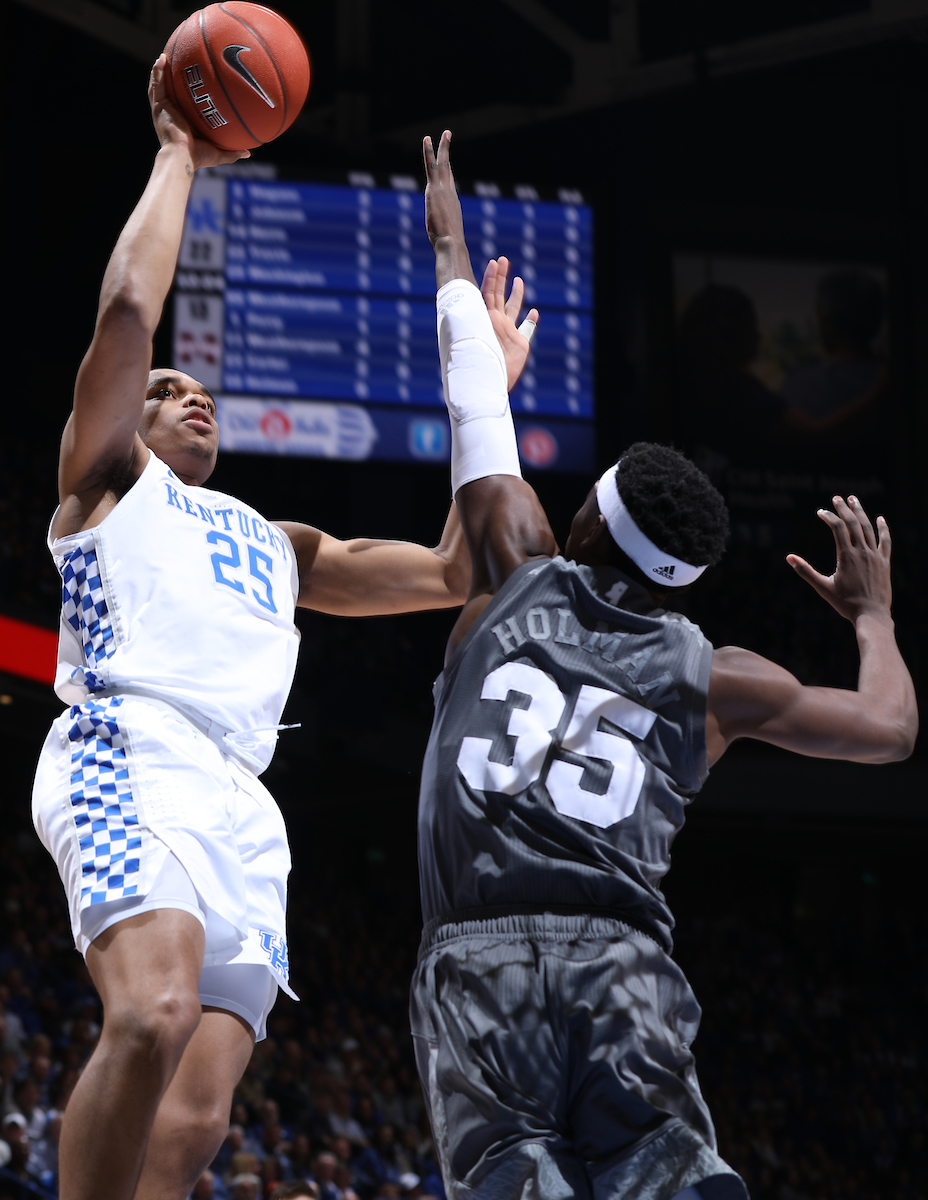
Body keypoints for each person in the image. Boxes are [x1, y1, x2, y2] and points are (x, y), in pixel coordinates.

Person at [410, 131, 918, 1200]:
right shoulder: (713, 671)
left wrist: (450, 236)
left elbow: (468, 391)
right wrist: (870, 615)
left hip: (480, 956)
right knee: (666, 1171)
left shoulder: (515, 571)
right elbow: (886, 732)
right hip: (622, 962)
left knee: (512, 1175)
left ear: (588, 515)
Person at [28, 63, 492, 1200]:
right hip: (130, 747)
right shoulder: (108, 482)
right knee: (151, 1011)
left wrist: (486, 382)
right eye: (164, 388)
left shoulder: (278, 542)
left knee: (193, 1124)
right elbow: (130, 314)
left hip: (244, 795)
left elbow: (456, 567)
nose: (189, 395)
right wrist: (179, 154)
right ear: (123, 415)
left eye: (200, 390)